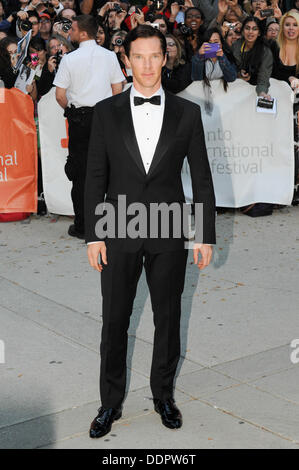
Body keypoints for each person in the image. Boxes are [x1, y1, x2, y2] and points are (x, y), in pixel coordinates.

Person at [85, 24, 215, 438]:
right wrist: (93, 234)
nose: (146, 64)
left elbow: (202, 177)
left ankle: (163, 395)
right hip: (117, 225)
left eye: (153, 56)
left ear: (165, 58)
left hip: (169, 226)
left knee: (168, 317)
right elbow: (95, 177)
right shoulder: (105, 112)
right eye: (137, 56)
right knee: (114, 321)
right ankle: (109, 403)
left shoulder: (187, 112)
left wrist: (205, 233)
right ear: (127, 60)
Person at [54, 14, 124, 239]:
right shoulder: (109, 56)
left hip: (80, 121)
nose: (70, 33)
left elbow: (60, 95)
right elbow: (117, 89)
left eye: (72, 29)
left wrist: (71, 112)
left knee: (80, 173)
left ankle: (83, 226)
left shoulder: (70, 59)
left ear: (83, 33)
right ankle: (109, 225)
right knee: (109, 172)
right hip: (105, 117)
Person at [192, 28, 237, 113]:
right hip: (201, 98)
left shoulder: (227, 56)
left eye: (216, 42)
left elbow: (231, 78)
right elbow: (196, 78)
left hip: (222, 98)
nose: (212, 45)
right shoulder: (198, 58)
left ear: (221, 43)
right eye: (209, 42)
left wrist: (222, 57)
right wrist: (200, 56)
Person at [231, 15, 273, 98]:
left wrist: (262, 92)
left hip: (254, 90)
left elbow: (263, 78)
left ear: (259, 33)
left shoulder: (265, 51)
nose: (250, 32)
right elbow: (230, 68)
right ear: (242, 31)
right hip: (236, 89)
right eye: (247, 28)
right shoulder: (235, 46)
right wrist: (238, 74)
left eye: (254, 29)